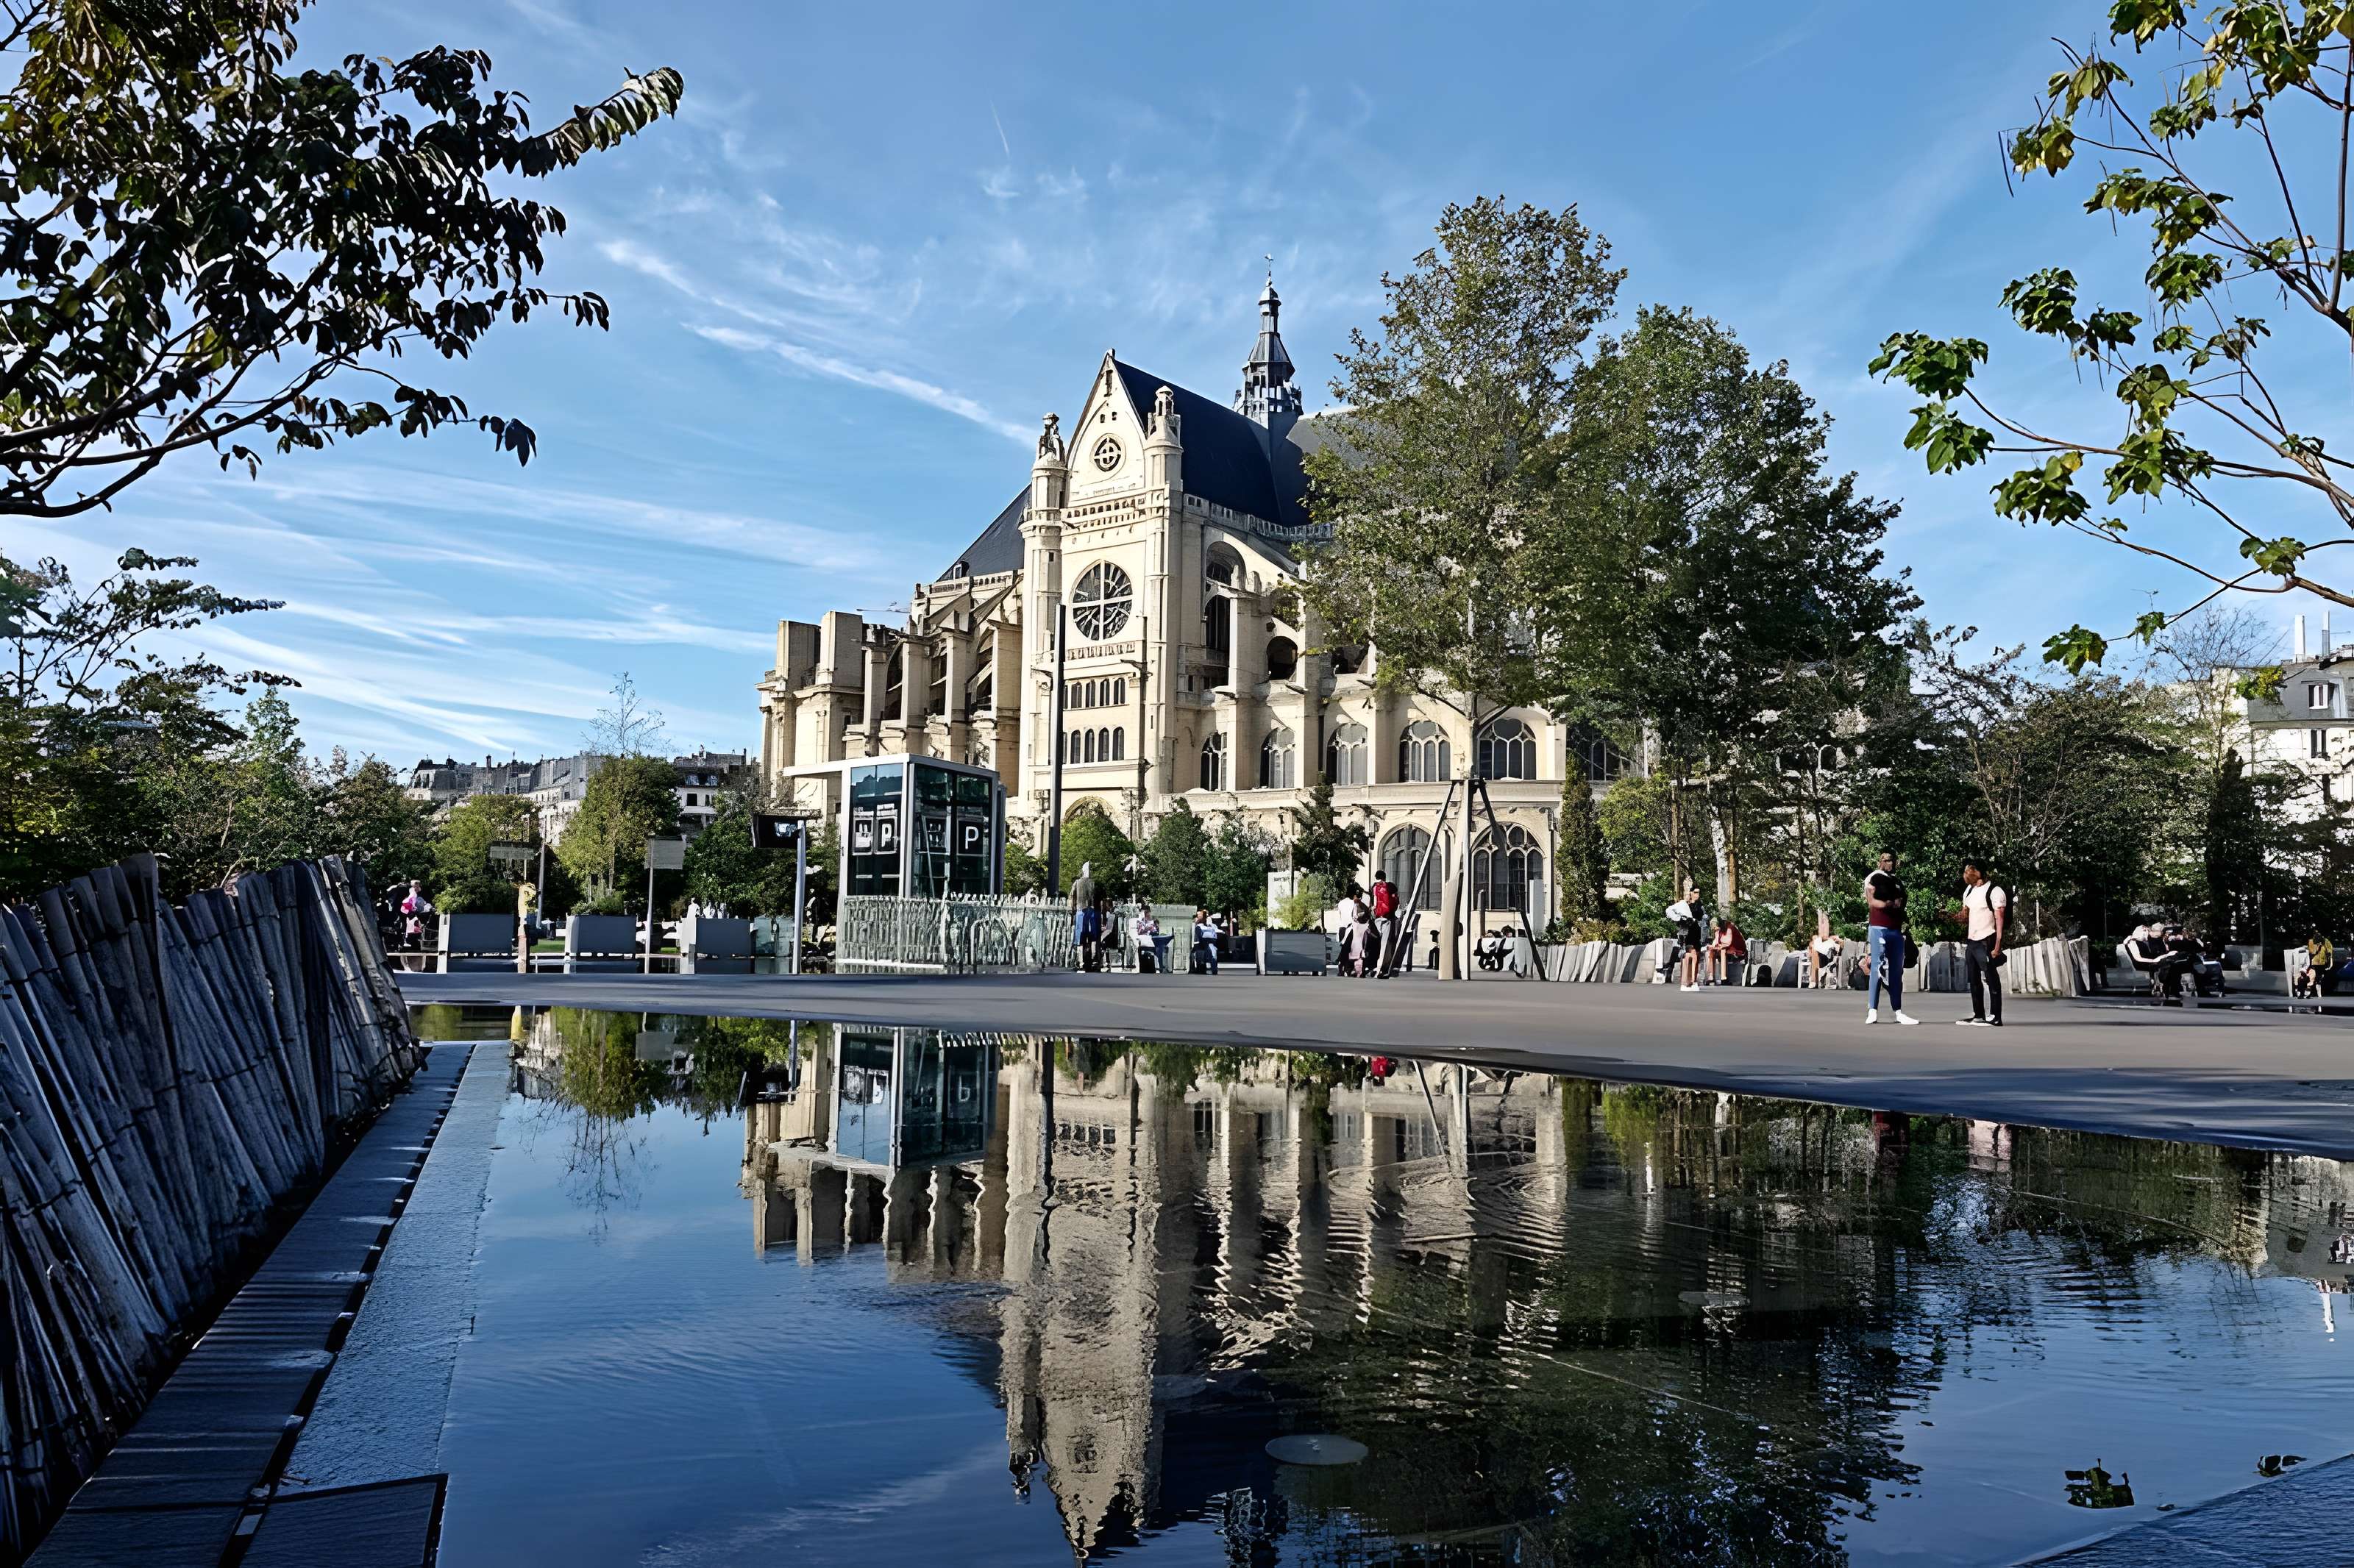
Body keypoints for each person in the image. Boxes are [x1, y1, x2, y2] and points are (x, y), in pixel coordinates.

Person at [1863, 851, 1919, 1024]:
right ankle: (1873, 1010)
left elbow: (1902, 903)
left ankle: (1898, 1011)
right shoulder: (1873, 878)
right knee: (1877, 968)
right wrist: (1887, 904)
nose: (1890, 864)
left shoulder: (1897, 882)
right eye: (1886, 860)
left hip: (1896, 929)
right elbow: (1871, 901)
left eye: (1892, 861)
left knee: (1896, 971)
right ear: (1880, 861)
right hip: (1879, 928)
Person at [1958, 859, 2006, 1027]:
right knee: (1974, 979)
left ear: (1979, 872)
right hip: (1972, 941)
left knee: (1991, 977)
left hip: (1987, 939)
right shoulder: (1969, 891)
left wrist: (1998, 945)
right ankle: (1978, 1014)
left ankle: (1996, 1016)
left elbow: (1999, 919)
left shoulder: (1994, 891)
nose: (1967, 874)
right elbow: (1966, 915)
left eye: (1970, 870)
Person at [1665, 883, 1706, 991]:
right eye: (1695, 892)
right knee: (1689, 955)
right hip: (1686, 932)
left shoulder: (1700, 905)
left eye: (1698, 893)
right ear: (1691, 893)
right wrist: (1679, 919)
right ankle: (1689, 982)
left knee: (1696, 956)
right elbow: (1669, 911)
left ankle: (1692, 981)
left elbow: (1701, 917)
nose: (1697, 895)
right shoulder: (1683, 904)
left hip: (1696, 931)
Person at [1070, 861, 1100, 972]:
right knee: (1089, 935)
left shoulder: (1079, 883)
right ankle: (1088, 959)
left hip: (1085, 911)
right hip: (1088, 911)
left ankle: (1087, 959)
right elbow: (1072, 897)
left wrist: (1073, 910)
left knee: (1086, 935)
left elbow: (1072, 897)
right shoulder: (1091, 883)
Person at [1370, 872, 1400, 977]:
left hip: (1377, 918)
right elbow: (1396, 901)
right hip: (1388, 918)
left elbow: (1373, 903)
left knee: (1376, 943)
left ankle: (1374, 966)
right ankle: (1382, 968)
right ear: (1385, 877)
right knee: (1386, 944)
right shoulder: (1391, 886)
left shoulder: (1373, 887)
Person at [1707, 917, 1747, 986]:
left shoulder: (1729, 928)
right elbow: (1716, 941)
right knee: (1712, 952)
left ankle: (1724, 978)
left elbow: (1727, 943)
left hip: (1737, 949)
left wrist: (1718, 946)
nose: (1715, 929)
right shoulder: (1720, 930)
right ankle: (1711, 977)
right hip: (1727, 948)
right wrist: (1713, 947)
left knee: (1723, 951)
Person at [1807, 916, 1843, 990]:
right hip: (1821, 954)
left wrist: (1838, 941)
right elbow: (1811, 945)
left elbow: (1841, 946)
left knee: (1816, 950)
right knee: (1815, 950)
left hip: (1831, 954)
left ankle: (1815, 981)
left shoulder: (1834, 936)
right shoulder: (1817, 938)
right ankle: (1815, 981)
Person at [1133, 908, 1168, 973]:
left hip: (1153, 941)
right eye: (1148, 914)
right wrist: (1149, 928)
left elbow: (1156, 930)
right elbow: (1140, 931)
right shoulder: (1141, 921)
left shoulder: (1155, 921)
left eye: (1150, 914)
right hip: (1145, 941)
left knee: (1160, 949)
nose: (1149, 915)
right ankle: (1146, 968)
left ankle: (1160, 967)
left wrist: (1150, 928)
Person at [399, 879, 433, 947]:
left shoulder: (417, 895)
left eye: (418, 886)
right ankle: (405, 940)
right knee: (408, 925)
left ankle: (411, 940)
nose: (417, 888)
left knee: (414, 925)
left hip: (413, 912)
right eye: (415, 886)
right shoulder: (411, 893)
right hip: (408, 912)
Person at [1192, 908, 1221, 975]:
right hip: (1202, 942)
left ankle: (1210, 967)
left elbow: (1214, 930)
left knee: (1211, 952)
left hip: (1207, 941)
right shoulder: (1198, 925)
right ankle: (1205, 967)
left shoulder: (1209, 924)